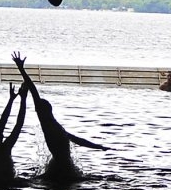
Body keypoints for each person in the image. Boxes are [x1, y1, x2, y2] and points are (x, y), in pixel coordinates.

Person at [12, 51, 108, 180]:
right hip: (61, 167)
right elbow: (34, 91)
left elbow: (77, 140)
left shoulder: (55, 126)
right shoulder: (47, 124)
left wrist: (98, 146)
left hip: (61, 166)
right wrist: (21, 69)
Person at [0, 83, 29, 185]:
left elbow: (8, 122)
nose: (0, 130)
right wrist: (23, 99)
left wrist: (12, 100)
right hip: (8, 183)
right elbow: (17, 123)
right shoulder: (4, 148)